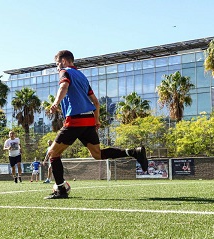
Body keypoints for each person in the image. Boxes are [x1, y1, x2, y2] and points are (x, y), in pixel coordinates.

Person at [45, 50, 148, 199]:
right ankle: (134, 152)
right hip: (88, 120)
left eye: (57, 63)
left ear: (64, 61)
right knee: (97, 154)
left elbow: (63, 87)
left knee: (53, 153)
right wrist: (97, 120)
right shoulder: (82, 77)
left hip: (75, 120)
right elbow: (96, 102)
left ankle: (61, 189)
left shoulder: (64, 72)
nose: (57, 67)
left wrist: (55, 103)